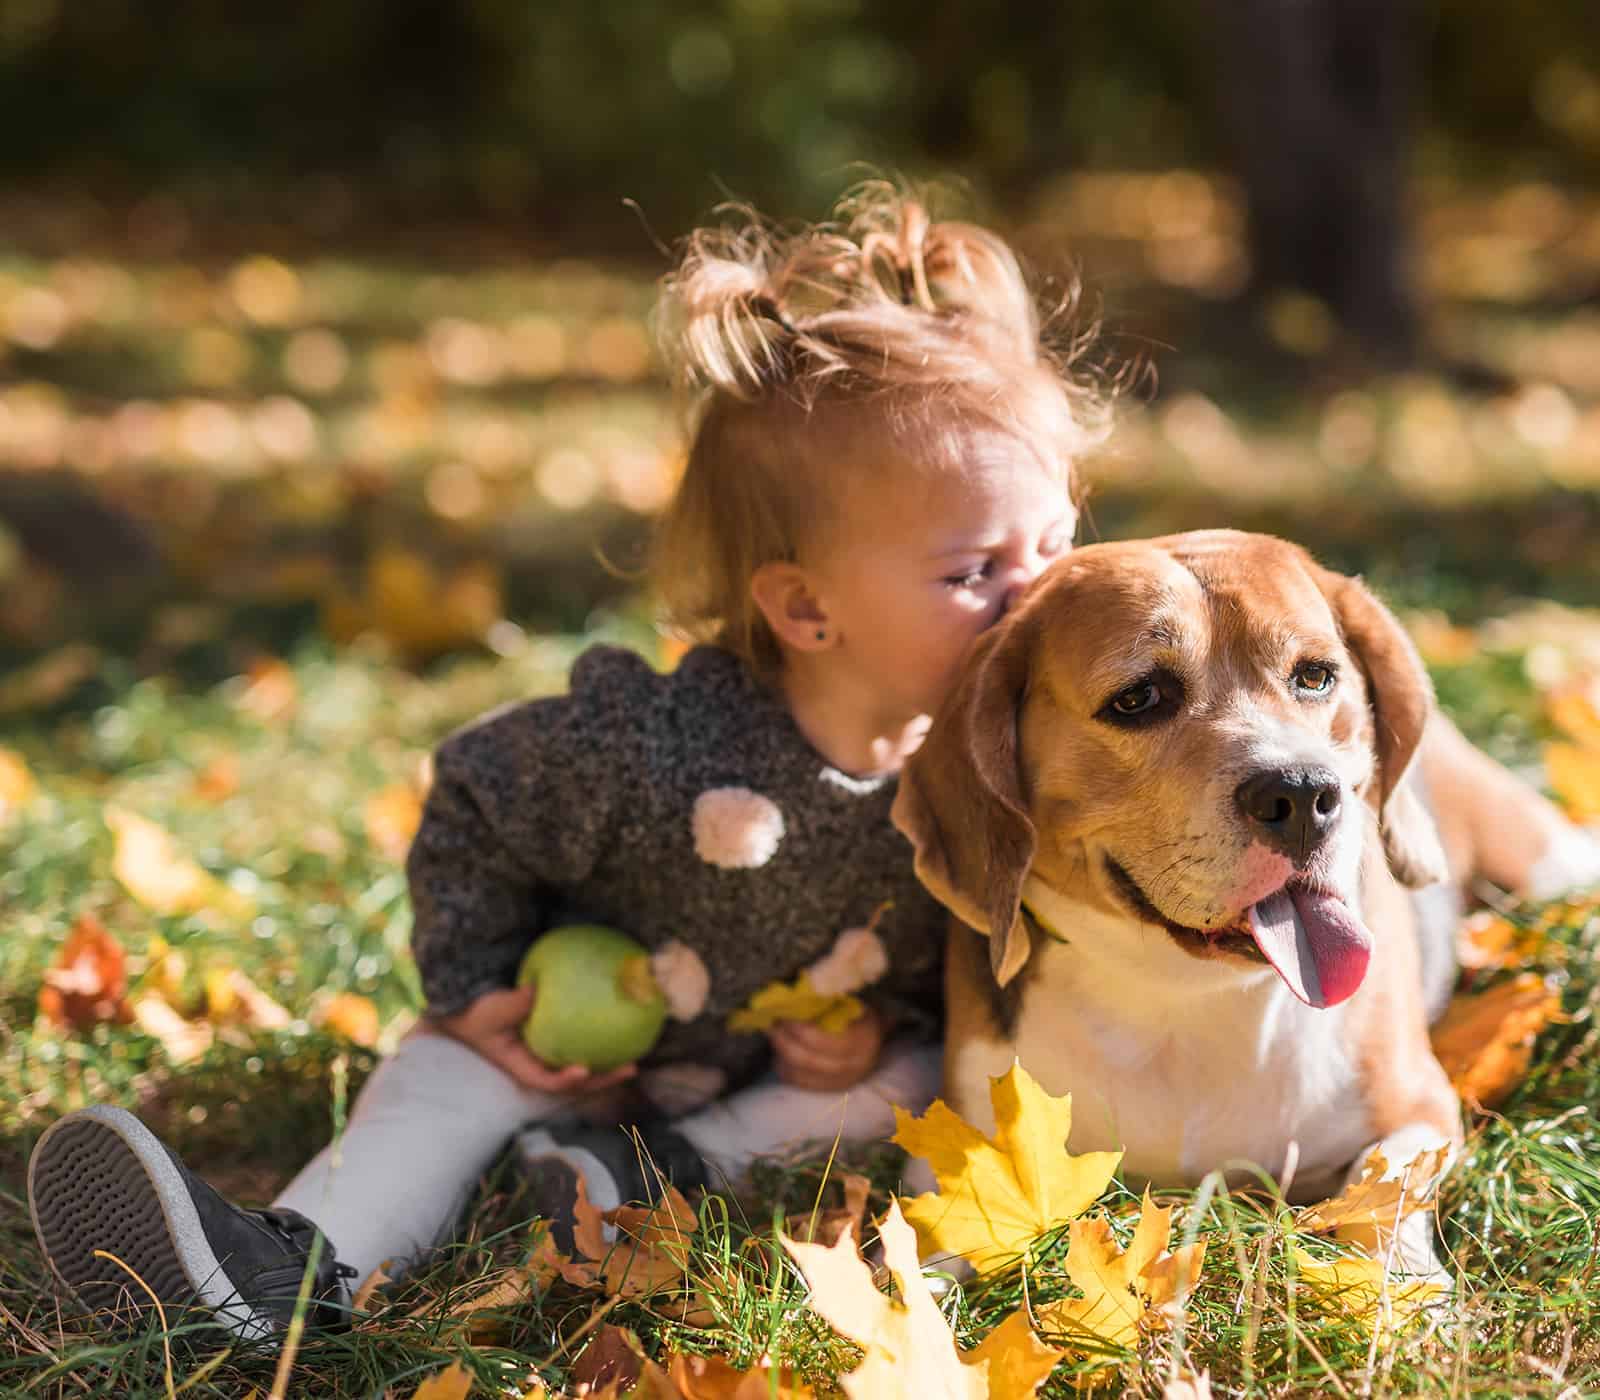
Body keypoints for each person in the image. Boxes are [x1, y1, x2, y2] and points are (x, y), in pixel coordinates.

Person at [26, 184, 1106, 1341]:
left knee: (905, 1080)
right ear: (804, 608)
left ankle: (637, 1175)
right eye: (973, 570)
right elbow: (478, 800)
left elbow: (952, 942)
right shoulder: (648, 742)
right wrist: (479, 988)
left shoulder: (982, 761)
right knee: (439, 1083)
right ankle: (288, 1266)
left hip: (760, 1080)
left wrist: (871, 1025)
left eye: (1053, 542)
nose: (1035, 591)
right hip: (572, 1038)